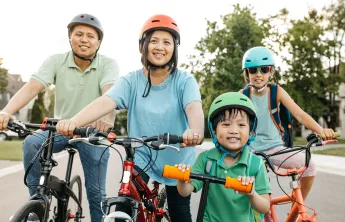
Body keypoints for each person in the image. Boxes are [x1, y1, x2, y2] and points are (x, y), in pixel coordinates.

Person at [56, 14, 204, 222]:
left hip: (177, 157)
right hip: (142, 155)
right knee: (123, 204)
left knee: (180, 213)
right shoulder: (132, 81)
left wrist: (195, 130)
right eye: (153, 41)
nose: (159, 47)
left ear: (174, 48)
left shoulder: (184, 81)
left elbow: (194, 108)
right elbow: (105, 101)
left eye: (166, 42)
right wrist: (74, 121)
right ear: (142, 46)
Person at [0, 13, 119, 222]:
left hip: (93, 133)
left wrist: (107, 119)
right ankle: (37, 204)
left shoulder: (108, 64)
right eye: (78, 34)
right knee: (31, 143)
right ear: (70, 38)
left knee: (96, 195)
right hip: (61, 128)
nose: (84, 39)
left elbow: (110, 96)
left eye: (90, 36)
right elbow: (31, 88)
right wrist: (7, 111)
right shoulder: (57, 61)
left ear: (99, 42)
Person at [240, 46, 335, 215]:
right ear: (247, 73)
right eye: (253, 70)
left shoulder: (276, 92)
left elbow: (300, 115)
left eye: (264, 69)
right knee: (260, 197)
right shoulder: (242, 95)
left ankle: (295, 209)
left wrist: (321, 130)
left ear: (271, 71)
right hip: (252, 152)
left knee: (309, 165)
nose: (259, 74)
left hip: (276, 149)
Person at [176, 92, 271, 222]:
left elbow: (265, 207)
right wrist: (182, 180)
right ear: (214, 130)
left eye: (241, 125)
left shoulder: (255, 164)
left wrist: (252, 194)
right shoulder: (206, 159)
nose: (233, 130)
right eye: (226, 124)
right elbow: (185, 191)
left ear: (250, 131)